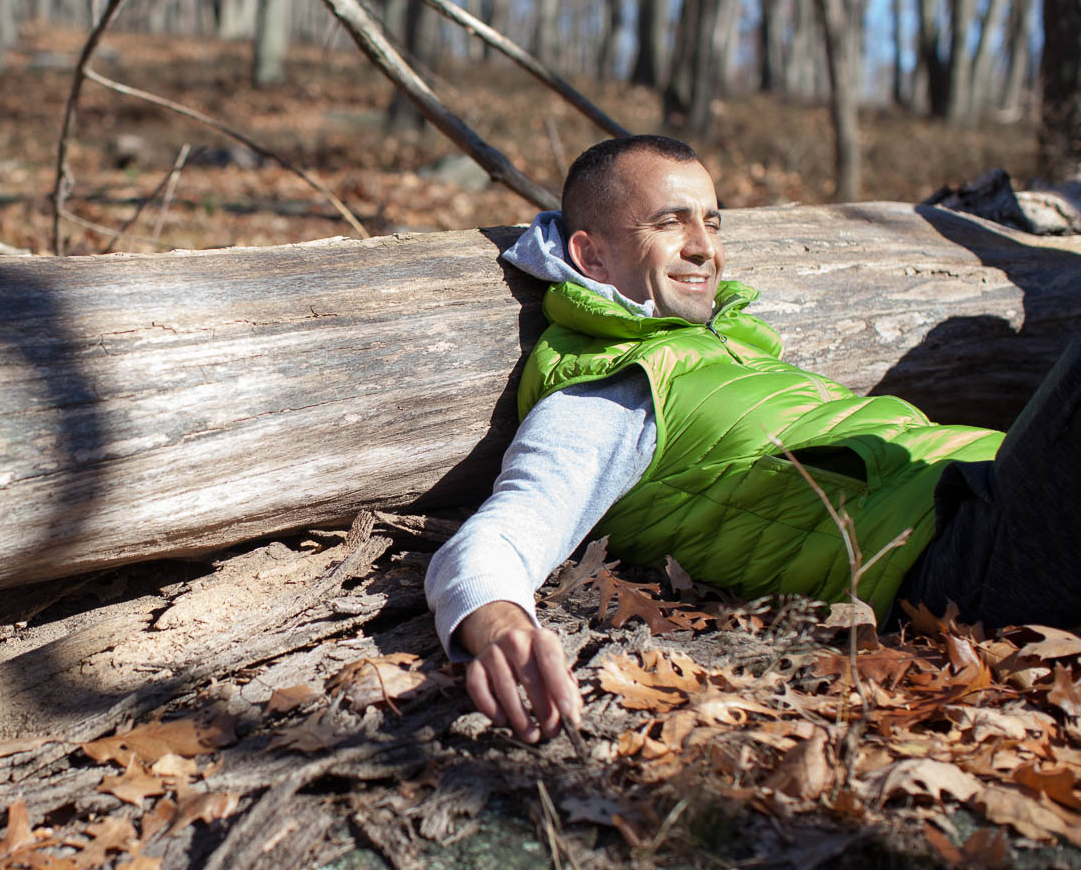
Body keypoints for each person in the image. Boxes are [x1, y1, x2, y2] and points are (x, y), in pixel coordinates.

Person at [426, 134, 1081, 745]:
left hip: (984, 484)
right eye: (669, 222)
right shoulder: (607, 390)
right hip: (964, 546)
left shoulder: (725, 340)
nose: (703, 245)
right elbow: (499, 535)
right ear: (591, 254)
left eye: (711, 221)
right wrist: (499, 624)